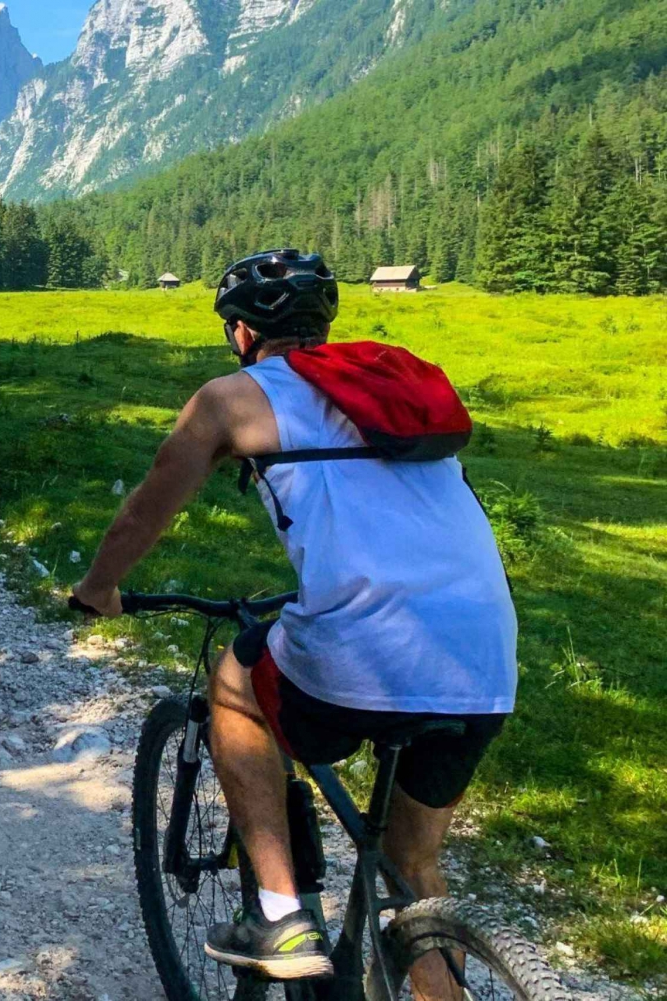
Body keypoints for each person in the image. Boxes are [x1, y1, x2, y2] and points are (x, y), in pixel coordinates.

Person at [70, 250, 517, 992]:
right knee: (413, 866)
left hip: (367, 643)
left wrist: (98, 587)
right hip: (485, 650)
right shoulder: (399, 383)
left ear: (241, 333)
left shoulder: (230, 398)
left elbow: (149, 505)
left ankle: (280, 911)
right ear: (324, 324)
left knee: (235, 680)